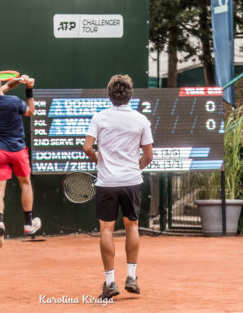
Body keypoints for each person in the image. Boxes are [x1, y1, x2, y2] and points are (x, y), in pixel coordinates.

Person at [83, 74, 154, 299]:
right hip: (132, 182)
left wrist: (100, 162)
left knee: (107, 229)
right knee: (132, 226)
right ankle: (131, 276)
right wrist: (135, 169)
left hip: (107, 183)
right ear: (129, 95)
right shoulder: (141, 120)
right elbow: (149, 155)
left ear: (110, 95)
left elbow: (87, 148)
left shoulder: (99, 117)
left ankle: (110, 282)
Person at [0, 68, 41, 248]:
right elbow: (30, 111)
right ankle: (28, 224)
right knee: (25, 183)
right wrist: (29, 88)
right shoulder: (14, 102)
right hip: (17, 150)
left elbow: (1, 91)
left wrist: (11, 84)